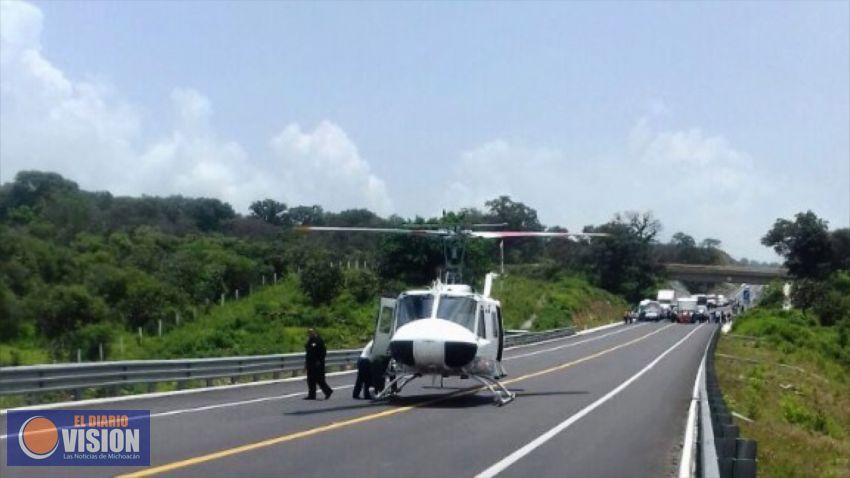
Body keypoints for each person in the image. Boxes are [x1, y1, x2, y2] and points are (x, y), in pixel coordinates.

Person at [304, 328, 333, 400]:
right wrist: (306, 364)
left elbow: (323, 352)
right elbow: (308, 352)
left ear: (314, 332)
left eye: (311, 332)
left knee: (320, 379)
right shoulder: (310, 341)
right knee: (310, 380)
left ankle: (328, 391)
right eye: (309, 333)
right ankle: (312, 395)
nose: (310, 334)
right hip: (310, 363)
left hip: (318, 364)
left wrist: (319, 360)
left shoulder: (319, 340)